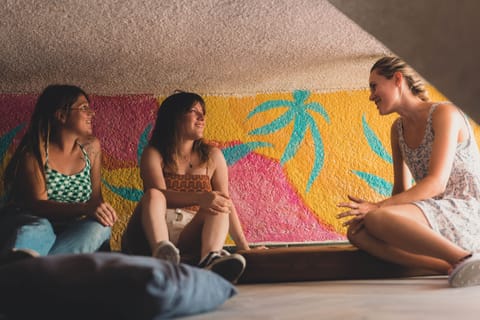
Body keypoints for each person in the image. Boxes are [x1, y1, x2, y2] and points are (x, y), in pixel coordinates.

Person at [337, 56, 480, 288]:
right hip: (434, 211)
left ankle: (465, 257)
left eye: (374, 86)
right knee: (358, 231)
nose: (371, 95)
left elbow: (436, 184)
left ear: (397, 79)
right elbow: (400, 191)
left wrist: (377, 208)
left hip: (467, 210)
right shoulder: (398, 130)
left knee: (375, 216)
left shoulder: (445, 113)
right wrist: (378, 211)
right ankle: (451, 267)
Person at [122, 91, 250, 283]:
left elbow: (226, 203)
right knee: (154, 195)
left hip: (190, 231)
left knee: (220, 202)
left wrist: (244, 248)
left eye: (203, 113)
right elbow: (159, 196)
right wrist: (200, 198)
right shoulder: (154, 153)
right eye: (194, 111)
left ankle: (210, 259)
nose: (202, 118)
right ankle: (162, 253)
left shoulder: (213, 156)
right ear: (175, 117)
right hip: (155, 227)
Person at [0, 84, 117, 260]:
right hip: (34, 223)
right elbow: (39, 206)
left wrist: (102, 212)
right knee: (41, 228)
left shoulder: (92, 147)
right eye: (84, 108)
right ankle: (23, 266)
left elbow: (95, 198)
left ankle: (36, 270)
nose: (91, 114)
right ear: (61, 115)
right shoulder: (34, 153)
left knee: (99, 228)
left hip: (70, 231)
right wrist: (85, 208)